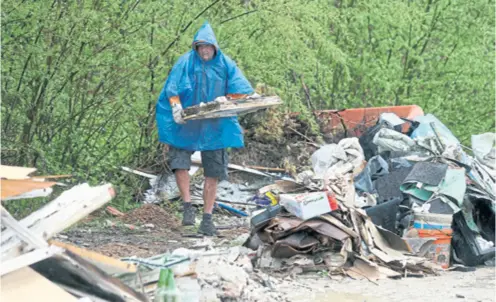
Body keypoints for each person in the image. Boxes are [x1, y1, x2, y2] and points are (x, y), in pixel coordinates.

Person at [155, 21, 255, 236]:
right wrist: (176, 106)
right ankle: (188, 207)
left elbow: (242, 89)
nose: (205, 51)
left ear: (214, 48)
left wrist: (226, 98)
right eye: (201, 47)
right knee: (179, 162)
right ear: (196, 48)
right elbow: (171, 87)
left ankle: (207, 219)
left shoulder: (225, 64)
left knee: (214, 171)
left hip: (214, 123)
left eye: (208, 47)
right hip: (187, 121)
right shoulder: (186, 62)